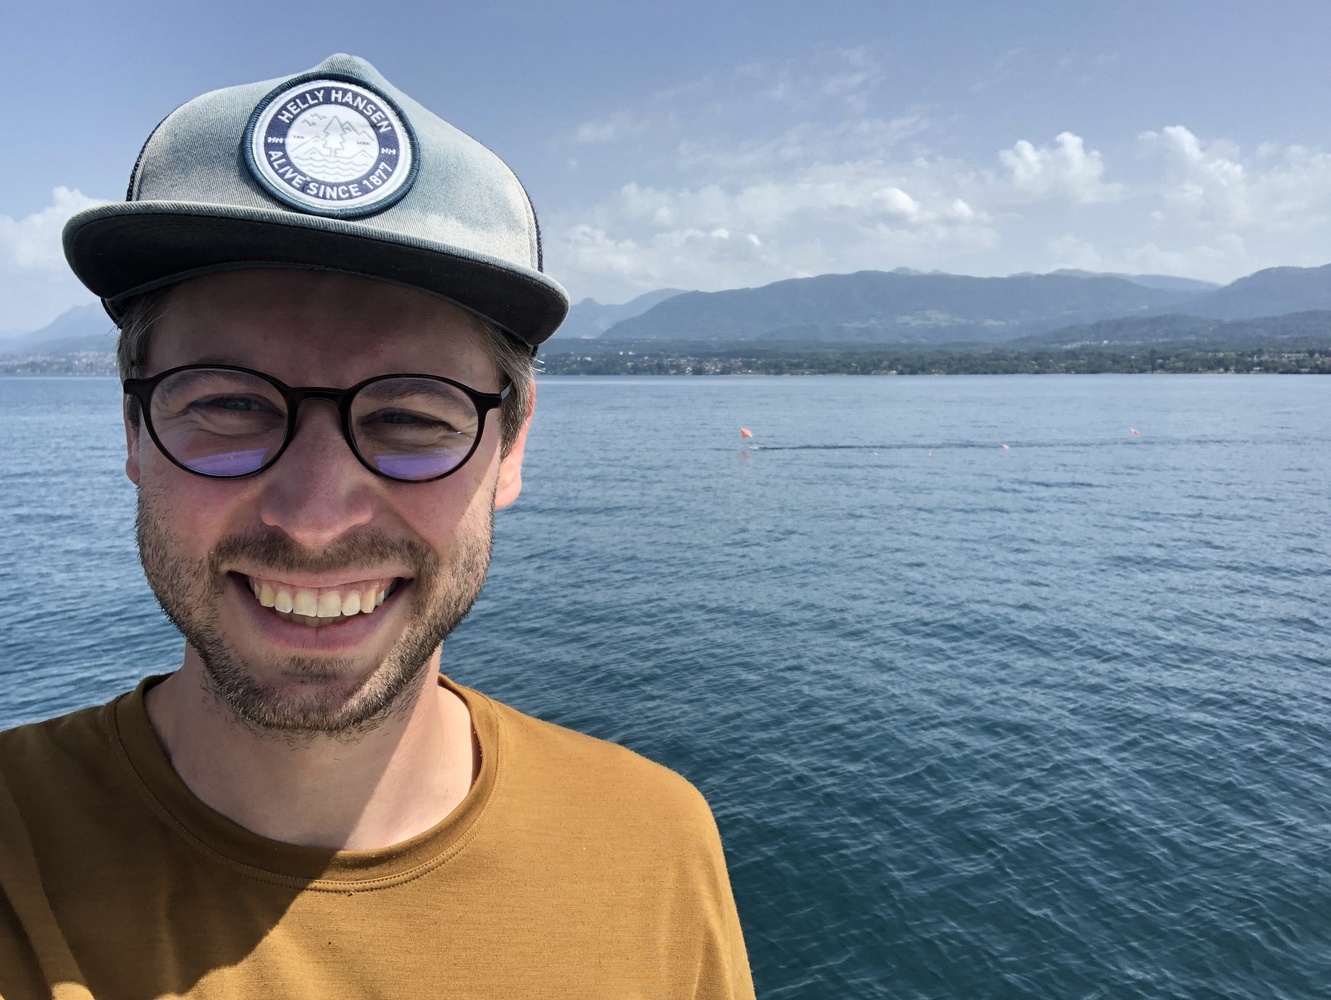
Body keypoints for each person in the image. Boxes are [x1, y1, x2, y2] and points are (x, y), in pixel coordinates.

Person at [0, 54, 754, 998]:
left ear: (510, 447)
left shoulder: (653, 848)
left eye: (409, 416)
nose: (315, 520)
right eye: (229, 405)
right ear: (133, 430)